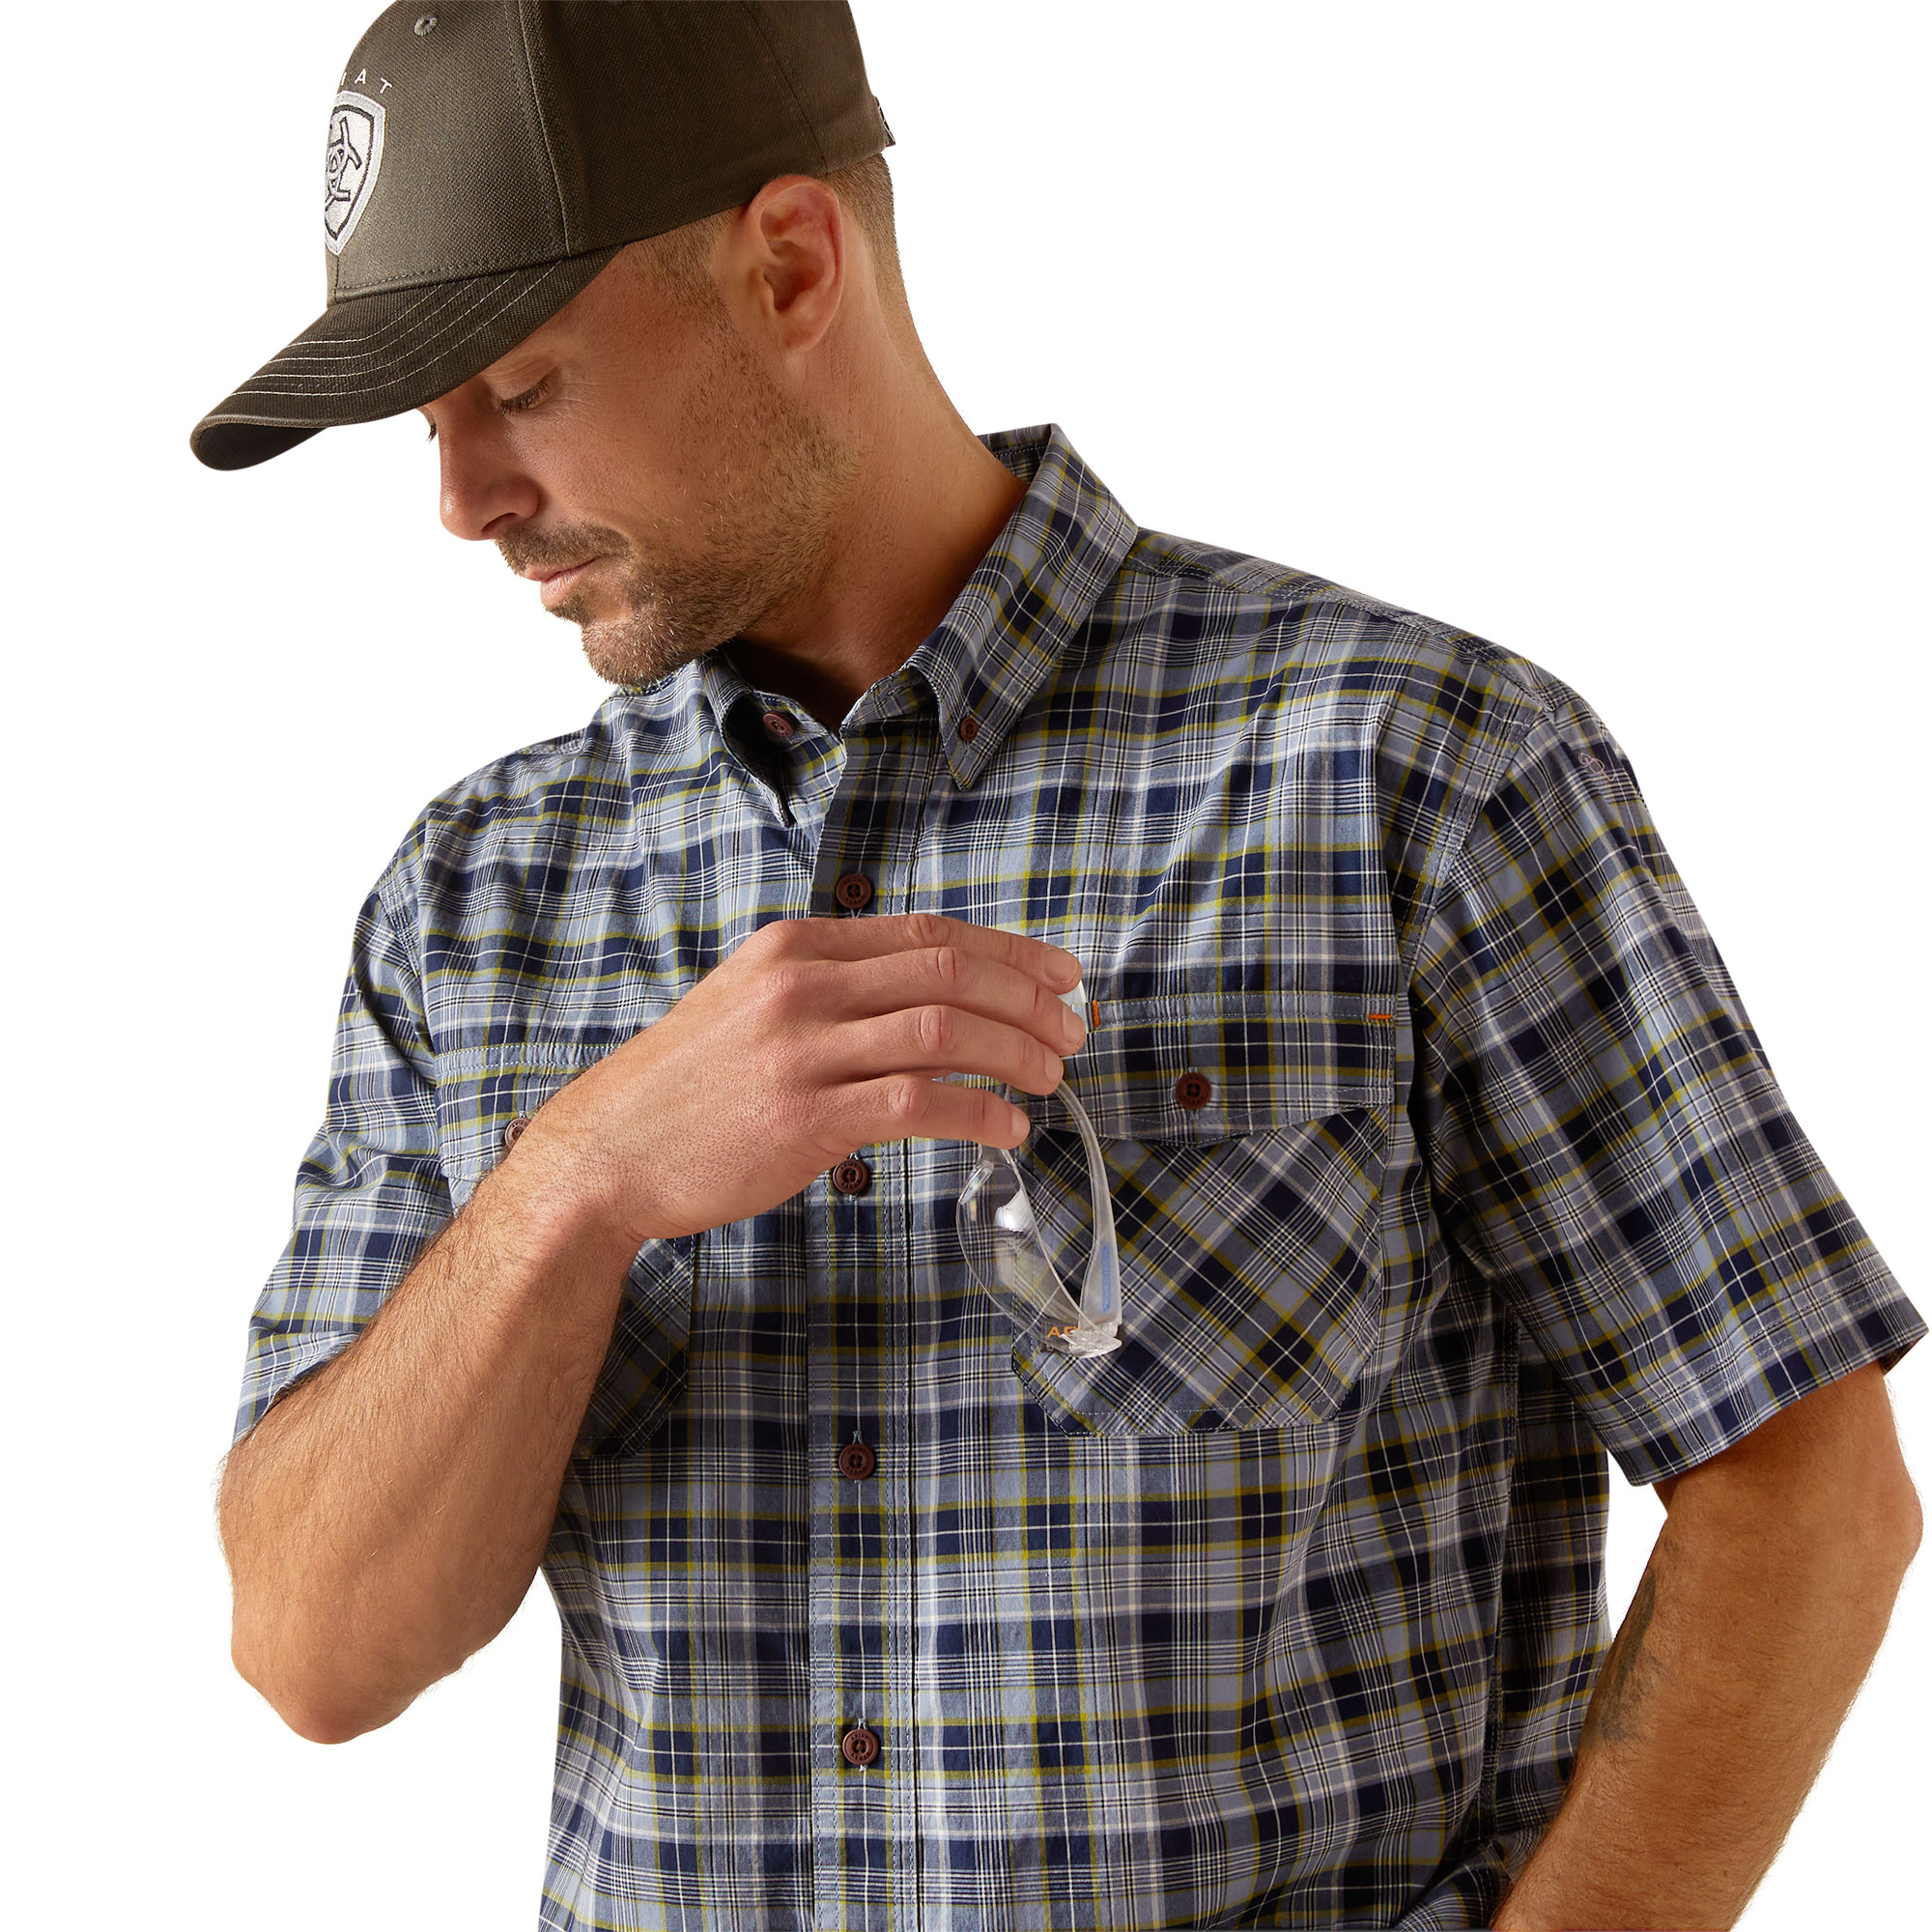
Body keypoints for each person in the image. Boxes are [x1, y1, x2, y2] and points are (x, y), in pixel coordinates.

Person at [199, 6, 1922, 1929]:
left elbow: (1804, 1490)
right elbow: (315, 1645)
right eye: (425, 423)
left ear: (790, 266)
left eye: (518, 386)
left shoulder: (1407, 775)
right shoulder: (474, 898)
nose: (460, 499)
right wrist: (577, 1183)